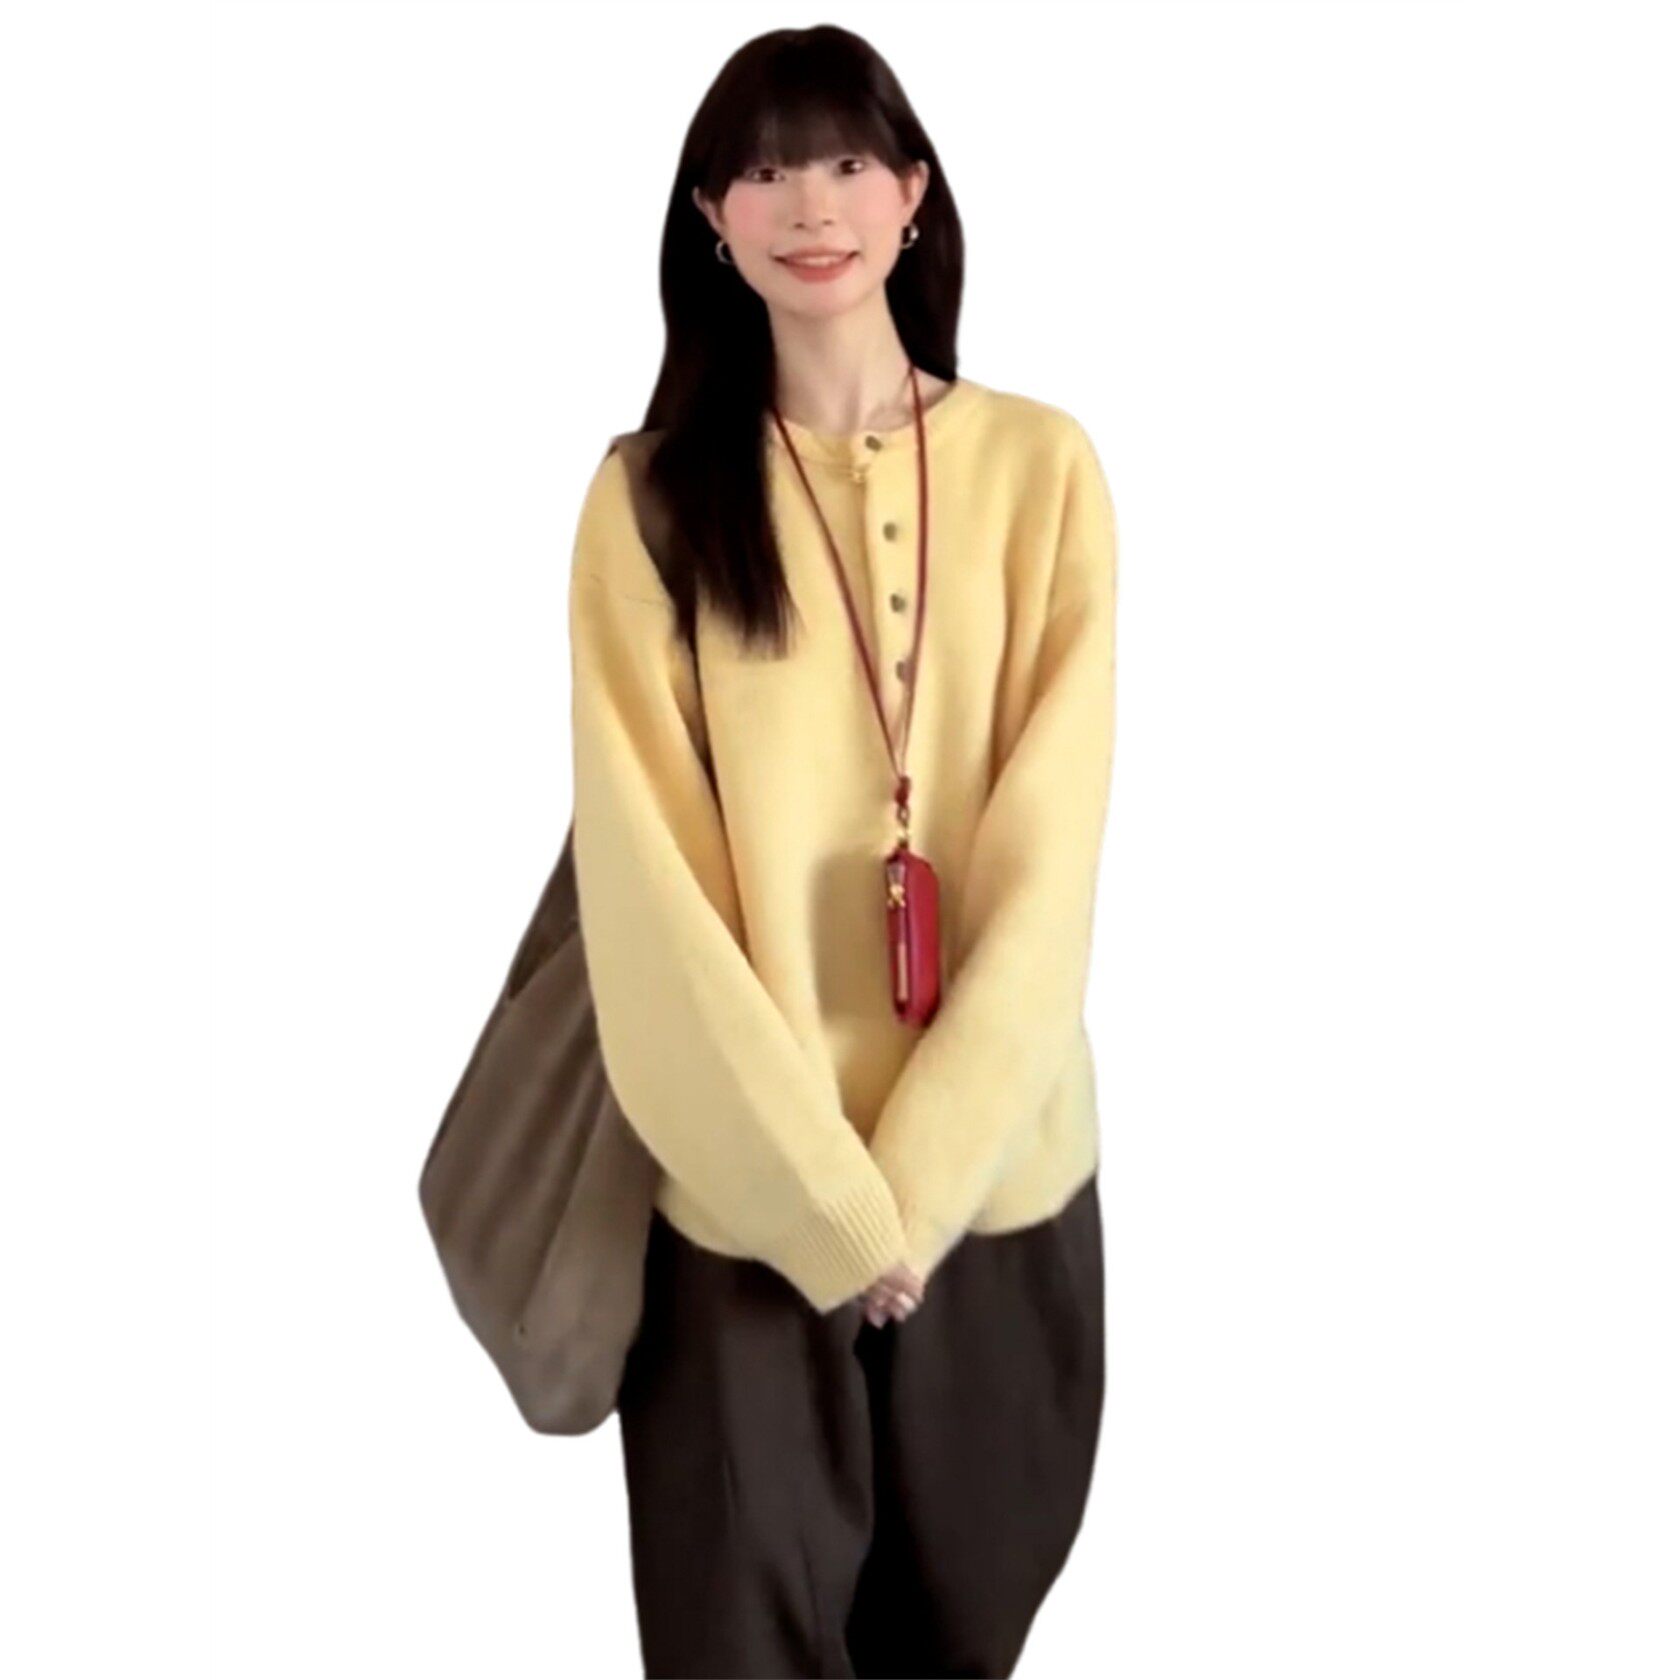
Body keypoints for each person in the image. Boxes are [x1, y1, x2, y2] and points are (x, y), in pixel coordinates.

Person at [566, 24, 1118, 1679]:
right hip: (741, 1211)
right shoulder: (651, 500)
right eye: (761, 170)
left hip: (1002, 1192)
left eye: (849, 162)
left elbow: (1048, 860)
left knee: (964, 1644)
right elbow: (651, 893)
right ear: (709, 221)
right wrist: (826, 1208)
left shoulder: (1041, 470)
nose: (810, 203)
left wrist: (918, 1195)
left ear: (914, 195)